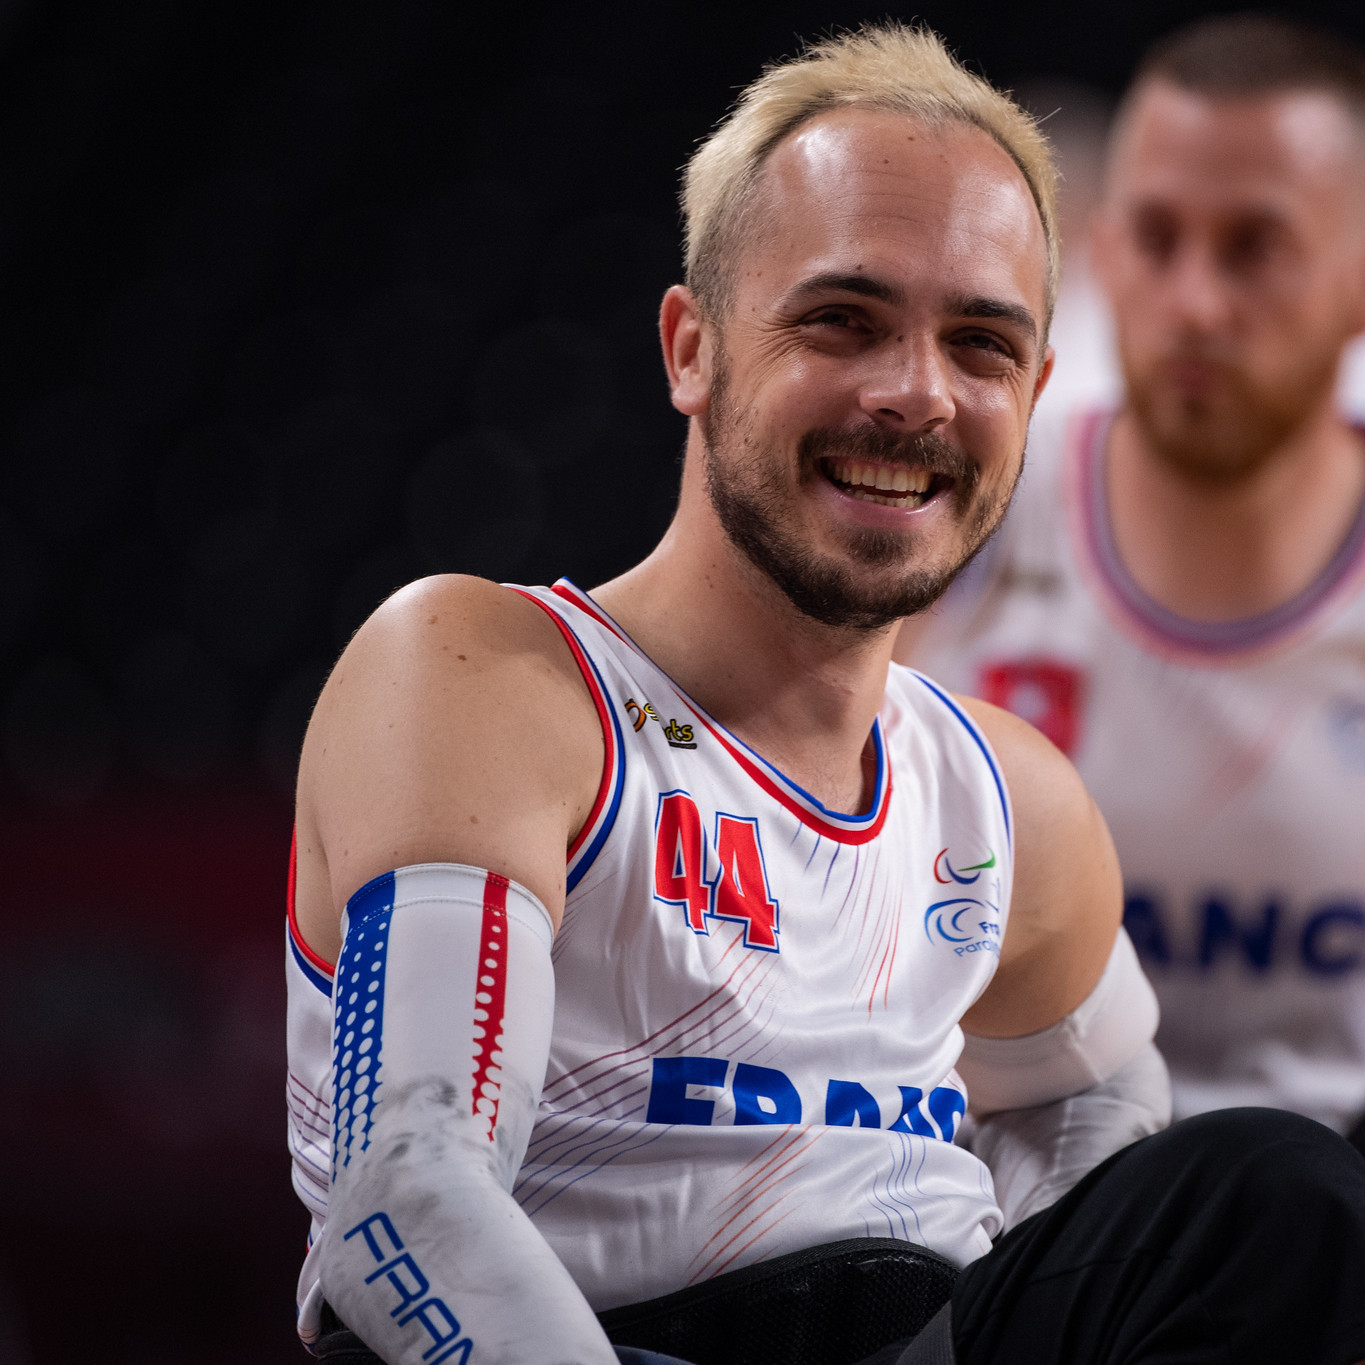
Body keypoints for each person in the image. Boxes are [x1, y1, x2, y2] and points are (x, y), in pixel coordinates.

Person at [285, 24, 1365, 1365]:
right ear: (692, 349)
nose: (914, 392)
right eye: (841, 321)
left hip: (912, 1327)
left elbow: (1110, 1174)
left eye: (978, 346)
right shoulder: (489, 674)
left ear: (1033, 395)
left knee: (1273, 1197)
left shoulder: (1010, 800)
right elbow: (404, 1195)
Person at [903, 13, 1365, 1154]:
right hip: (1012, 1213)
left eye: (1255, 246)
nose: (1197, 302)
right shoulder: (957, 502)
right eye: (1157, 239)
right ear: (1100, 258)